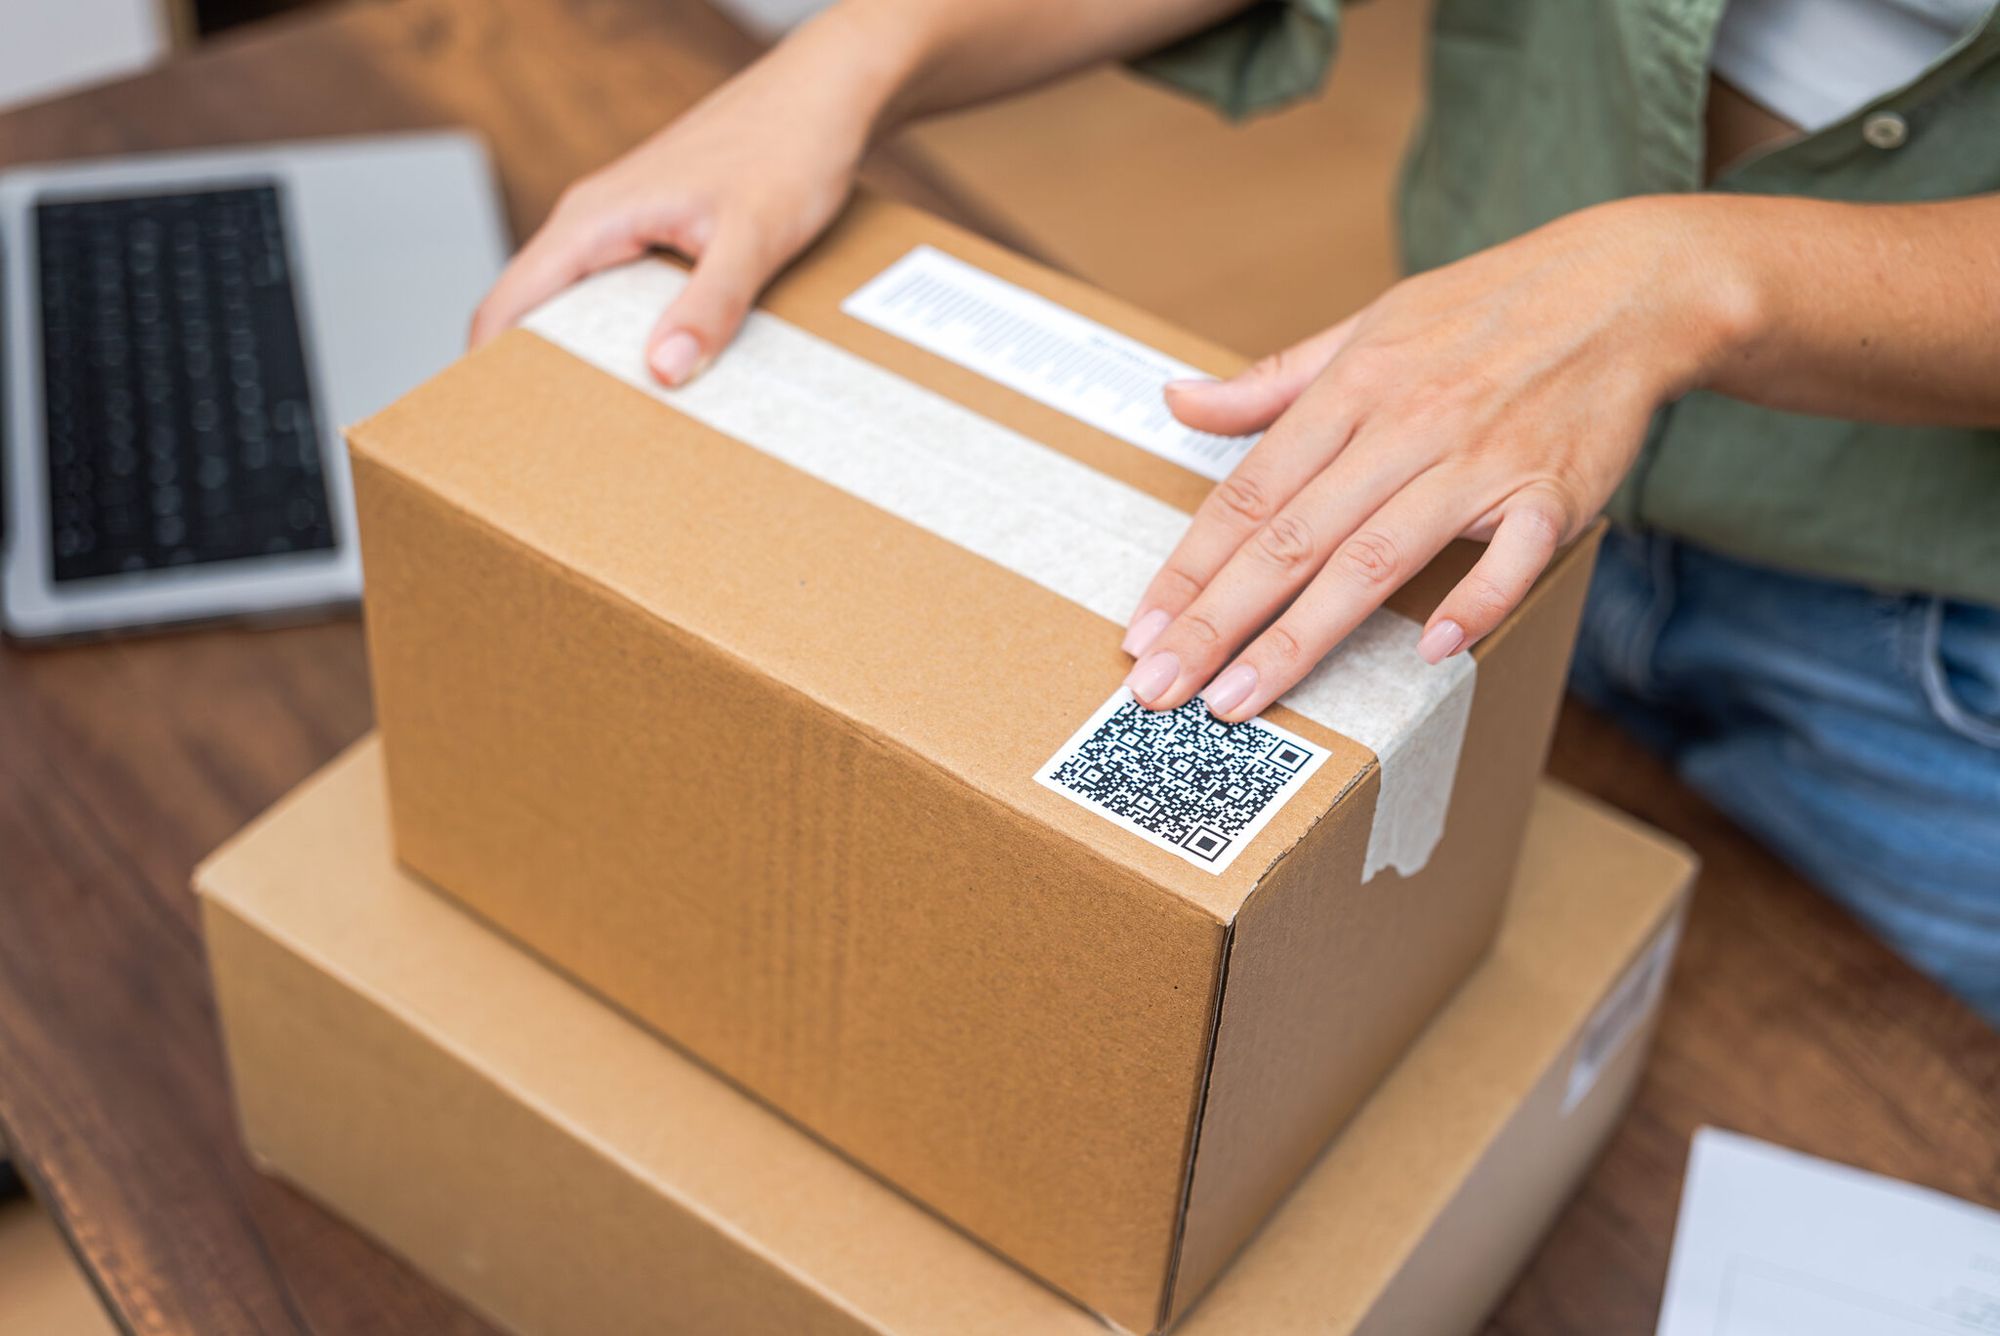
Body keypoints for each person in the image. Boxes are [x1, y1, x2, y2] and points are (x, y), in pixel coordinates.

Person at [470, 0, 2000, 1023]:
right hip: (1455, 466)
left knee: (1856, 1097)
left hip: (1938, 625)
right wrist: (847, 59)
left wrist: (1683, 283)